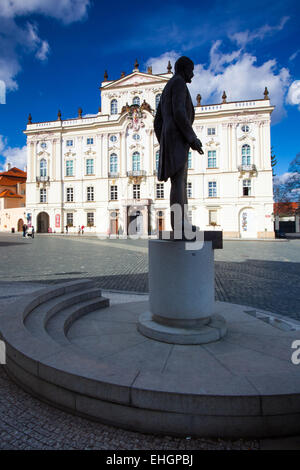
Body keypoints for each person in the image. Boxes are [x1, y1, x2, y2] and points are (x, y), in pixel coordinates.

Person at [154, 56, 204, 232]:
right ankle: (180, 224)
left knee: (179, 181)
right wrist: (192, 138)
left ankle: (181, 222)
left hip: (171, 138)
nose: (193, 73)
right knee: (180, 181)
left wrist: (164, 140)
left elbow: (157, 121)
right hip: (178, 138)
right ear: (184, 69)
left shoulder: (168, 87)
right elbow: (180, 113)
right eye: (191, 69)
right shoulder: (179, 83)